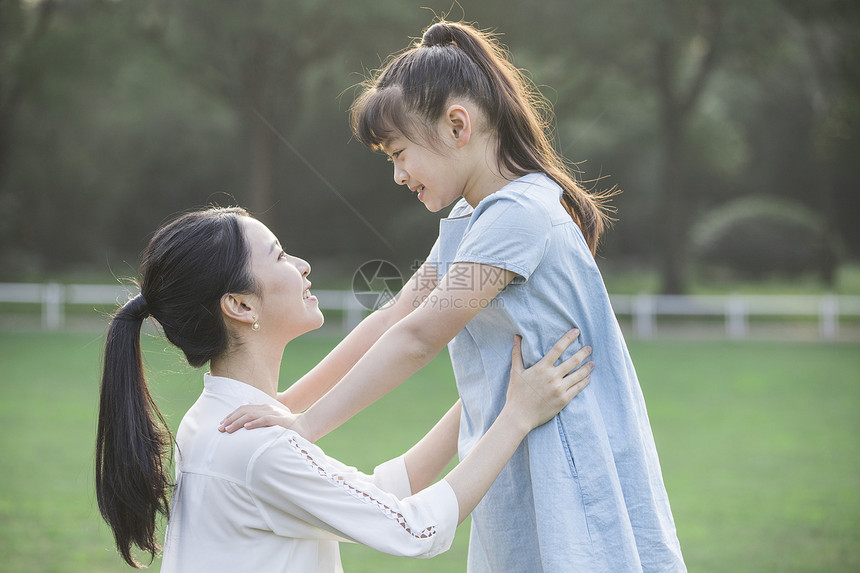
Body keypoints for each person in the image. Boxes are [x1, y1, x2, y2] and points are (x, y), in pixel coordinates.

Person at [222, 20, 686, 572]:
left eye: (398, 152)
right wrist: (284, 408)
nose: (397, 174)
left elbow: (419, 338)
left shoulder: (520, 213)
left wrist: (305, 430)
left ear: (457, 125)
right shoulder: (470, 220)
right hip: (516, 447)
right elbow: (397, 315)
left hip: (569, 453)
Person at [94, 206, 593, 571]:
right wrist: (516, 418)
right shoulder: (256, 445)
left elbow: (374, 493)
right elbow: (415, 529)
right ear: (241, 306)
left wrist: (489, 396)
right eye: (280, 255)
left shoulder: (215, 421)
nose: (302, 265)